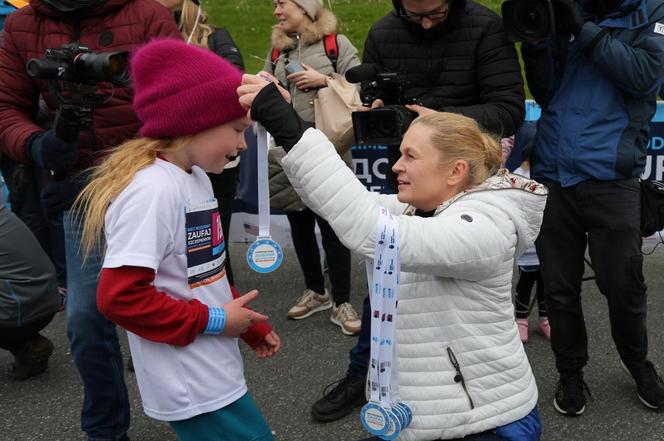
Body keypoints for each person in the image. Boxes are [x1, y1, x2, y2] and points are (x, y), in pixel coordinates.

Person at [239, 77, 546, 441]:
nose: (396, 166)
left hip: (486, 423)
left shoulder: (487, 227)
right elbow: (339, 202)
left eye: (410, 156)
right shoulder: (422, 211)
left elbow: (372, 232)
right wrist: (287, 124)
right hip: (425, 415)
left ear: (455, 171)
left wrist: (287, 124)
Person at [310, 0, 526, 422]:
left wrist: (441, 120)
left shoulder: (485, 26)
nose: (426, 22)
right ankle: (367, 372)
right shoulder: (384, 32)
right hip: (411, 175)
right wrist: (375, 108)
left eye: (436, 14)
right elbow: (370, 96)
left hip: (466, 179)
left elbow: (508, 109)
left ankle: (474, 389)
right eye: (415, 15)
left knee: (454, 291)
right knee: (389, 275)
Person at [75, 39, 280, 441]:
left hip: (211, 368)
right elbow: (118, 297)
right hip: (190, 379)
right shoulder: (152, 190)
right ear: (195, 120)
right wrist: (220, 320)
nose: (242, 144)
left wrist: (243, 324)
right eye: (237, 130)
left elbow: (204, 271)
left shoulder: (197, 177)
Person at [0, 1, 181, 439]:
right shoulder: (25, 23)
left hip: (152, 181)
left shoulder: (147, 13)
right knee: (84, 321)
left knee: (180, 309)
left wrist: (143, 155)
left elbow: (181, 91)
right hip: (81, 192)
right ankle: (105, 430)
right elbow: (6, 108)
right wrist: (40, 144)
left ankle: (201, 415)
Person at [521, 0, 664, 416]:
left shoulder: (651, 12)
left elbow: (644, 77)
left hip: (610, 176)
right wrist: (536, 41)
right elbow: (547, 91)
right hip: (554, 171)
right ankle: (570, 372)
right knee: (559, 288)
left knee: (623, 285)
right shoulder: (564, 11)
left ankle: (637, 363)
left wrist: (583, 29)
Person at [264, 0, 362, 335]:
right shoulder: (278, 51)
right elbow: (265, 92)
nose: (276, 11)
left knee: (334, 226)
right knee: (300, 224)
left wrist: (325, 80)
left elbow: (359, 88)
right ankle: (316, 291)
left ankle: (342, 301)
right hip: (288, 151)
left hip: (328, 148)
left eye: (282, 4)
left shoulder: (337, 45)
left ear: (305, 8)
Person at [157, 0, 245, 286]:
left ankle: (225, 297)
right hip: (176, 156)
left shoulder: (216, 36)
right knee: (177, 247)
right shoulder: (154, 38)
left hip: (218, 161)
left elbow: (235, 81)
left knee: (214, 242)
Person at [0, 191, 60, 380]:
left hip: (17, 312)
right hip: (46, 303)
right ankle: (27, 346)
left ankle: (21, 340)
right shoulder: (4, 214)